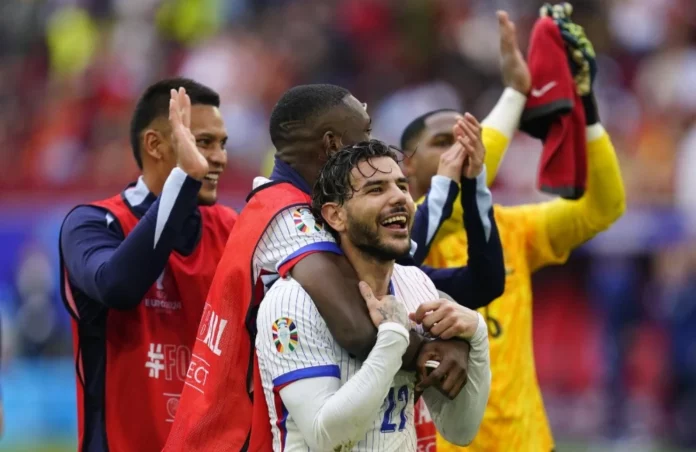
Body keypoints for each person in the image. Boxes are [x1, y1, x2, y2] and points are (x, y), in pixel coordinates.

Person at [165, 84, 502, 451]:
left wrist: (466, 333)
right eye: (365, 134)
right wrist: (432, 350)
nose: (371, 145)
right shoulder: (285, 214)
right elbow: (355, 326)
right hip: (227, 435)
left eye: (400, 185)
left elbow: (400, 263)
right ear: (332, 145)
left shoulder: (307, 210)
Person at [402, 9, 626, 452]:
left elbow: (605, 207)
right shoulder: (397, 234)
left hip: (526, 442)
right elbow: (453, 200)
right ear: (406, 164)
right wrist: (514, 94)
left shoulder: (511, 228)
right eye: (444, 142)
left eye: (468, 137)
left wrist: (588, 112)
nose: (463, 147)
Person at [256, 140, 491, 451]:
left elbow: (460, 430)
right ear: (335, 216)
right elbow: (326, 438)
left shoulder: (417, 285)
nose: (399, 198)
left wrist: (478, 336)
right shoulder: (292, 300)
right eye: (376, 190)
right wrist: (393, 339)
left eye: (402, 187)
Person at [59, 78, 237, 452]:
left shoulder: (232, 229)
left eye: (222, 144)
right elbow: (118, 287)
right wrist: (184, 181)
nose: (218, 157)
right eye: (203, 142)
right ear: (154, 144)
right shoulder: (93, 224)